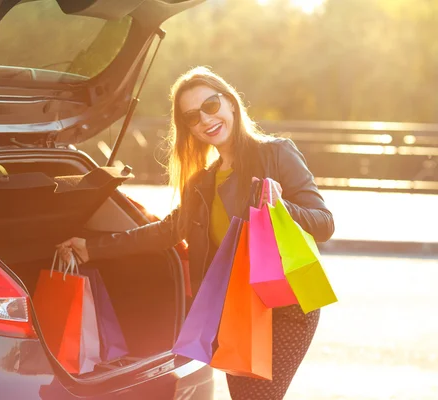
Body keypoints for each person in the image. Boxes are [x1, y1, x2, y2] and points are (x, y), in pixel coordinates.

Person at [57, 66, 334, 399]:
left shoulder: (275, 153)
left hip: (285, 304)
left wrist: (282, 207)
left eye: (211, 105)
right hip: (235, 311)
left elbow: (324, 223)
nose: (205, 119)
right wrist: (93, 248)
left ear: (231, 103)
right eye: (192, 116)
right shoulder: (202, 182)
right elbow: (167, 231)